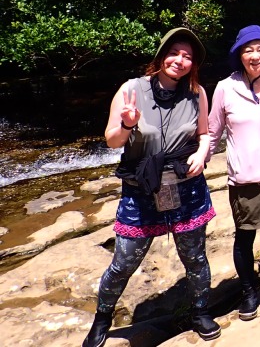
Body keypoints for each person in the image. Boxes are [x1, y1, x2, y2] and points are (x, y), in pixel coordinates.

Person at [83, 28, 219, 347]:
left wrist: (201, 153)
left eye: (188, 56)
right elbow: (112, 139)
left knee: (195, 257)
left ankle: (200, 312)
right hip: (141, 189)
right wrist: (128, 123)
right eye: (175, 53)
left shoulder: (197, 92)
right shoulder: (132, 89)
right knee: (123, 263)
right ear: (161, 55)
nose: (180, 60)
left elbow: (204, 134)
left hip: (186, 187)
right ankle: (102, 319)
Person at [208, 25, 260, 321]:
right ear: (239, 54)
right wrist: (199, 160)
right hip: (245, 178)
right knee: (245, 236)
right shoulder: (225, 88)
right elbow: (213, 130)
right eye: (248, 50)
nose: (255, 56)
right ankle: (248, 291)